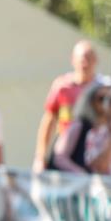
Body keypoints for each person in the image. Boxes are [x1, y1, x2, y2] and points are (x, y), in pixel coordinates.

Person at [33, 40, 99, 172]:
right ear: (73, 60)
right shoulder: (62, 86)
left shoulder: (101, 89)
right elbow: (49, 119)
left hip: (91, 149)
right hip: (63, 147)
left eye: (89, 58)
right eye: (82, 59)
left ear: (95, 61)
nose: (85, 63)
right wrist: (40, 156)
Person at [51, 80, 111, 173]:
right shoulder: (79, 126)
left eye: (110, 99)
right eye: (101, 98)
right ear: (91, 101)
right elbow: (60, 157)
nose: (106, 103)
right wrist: (81, 174)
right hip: (78, 183)